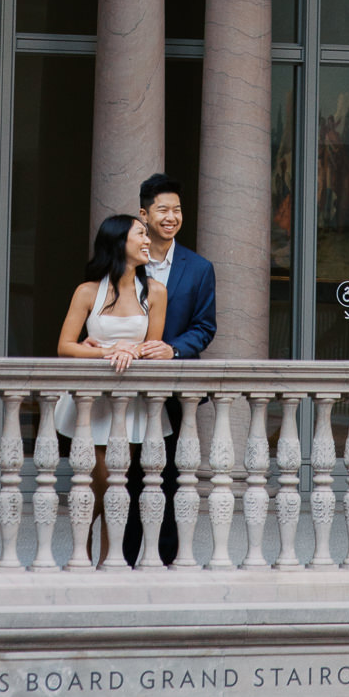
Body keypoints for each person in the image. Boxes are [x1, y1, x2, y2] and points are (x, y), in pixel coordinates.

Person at [56, 214, 167, 562]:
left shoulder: (156, 292)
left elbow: (153, 346)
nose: (148, 241)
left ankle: (108, 563)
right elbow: (65, 346)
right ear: (119, 242)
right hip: (90, 405)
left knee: (116, 485)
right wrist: (108, 352)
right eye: (140, 234)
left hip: (129, 404)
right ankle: (81, 558)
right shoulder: (87, 291)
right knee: (94, 486)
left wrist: (132, 350)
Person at [122, 175, 216, 568]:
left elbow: (205, 327)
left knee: (173, 475)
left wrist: (173, 349)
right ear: (144, 214)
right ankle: (124, 557)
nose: (171, 217)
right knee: (124, 476)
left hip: (175, 389)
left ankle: (167, 557)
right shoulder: (125, 263)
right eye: (163, 209)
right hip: (126, 386)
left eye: (177, 210)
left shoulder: (199, 268)